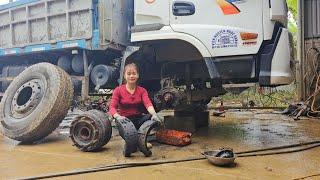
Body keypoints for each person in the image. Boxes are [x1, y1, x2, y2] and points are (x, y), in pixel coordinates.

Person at [109, 63, 162, 129]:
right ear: (124, 76)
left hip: (139, 118)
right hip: (124, 120)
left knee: (156, 119)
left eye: (134, 73)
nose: (131, 76)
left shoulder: (142, 90)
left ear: (138, 75)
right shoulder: (118, 90)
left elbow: (148, 104)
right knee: (131, 136)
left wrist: (154, 114)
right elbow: (112, 108)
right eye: (129, 74)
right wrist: (118, 117)